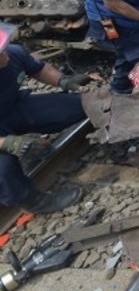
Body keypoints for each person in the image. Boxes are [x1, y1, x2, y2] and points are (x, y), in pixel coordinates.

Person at [0, 23, 89, 215]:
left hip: (12, 109)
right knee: (3, 168)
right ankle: (33, 202)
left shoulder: (12, 54)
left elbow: (39, 69)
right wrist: (9, 143)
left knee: (77, 105)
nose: (5, 55)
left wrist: (63, 80)